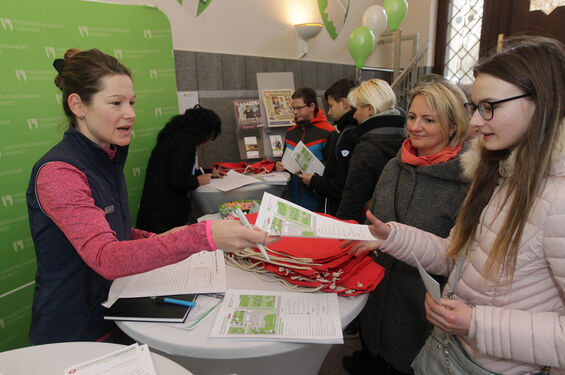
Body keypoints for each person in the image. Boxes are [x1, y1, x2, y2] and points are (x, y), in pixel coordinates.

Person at [26, 48, 278, 345]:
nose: (130, 114)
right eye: (116, 103)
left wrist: (161, 236)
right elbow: (105, 256)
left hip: (114, 310)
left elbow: (109, 229)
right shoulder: (60, 173)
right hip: (75, 331)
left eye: (131, 103)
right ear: (78, 105)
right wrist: (200, 236)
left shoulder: (107, 155)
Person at [349, 36, 565, 374]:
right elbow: (455, 255)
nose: (476, 123)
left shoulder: (558, 200)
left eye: (489, 107)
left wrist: (476, 323)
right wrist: (391, 237)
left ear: (541, 103)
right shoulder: (501, 176)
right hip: (455, 354)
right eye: (475, 108)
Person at [344, 80, 470, 375]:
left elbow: (456, 254)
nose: (415, 127)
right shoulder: (394, 165)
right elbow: (374, 218)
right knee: (375, 352)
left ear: (453, 126)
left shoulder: (466, 181)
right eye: (412, 117)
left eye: (429, 120)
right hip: (379, 285)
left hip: (422, 301)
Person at [136, 105, 225, 233]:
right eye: (210, 135)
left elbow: (179, 169)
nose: (208, 140)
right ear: (204, 129)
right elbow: (177, 180)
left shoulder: (174, 135)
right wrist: (198, 181)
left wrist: (209, 172)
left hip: (155, 208)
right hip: (165, 214)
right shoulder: (185, 142)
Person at [335, 79, 405, 224]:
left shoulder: (366, 148)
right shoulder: (408, 138)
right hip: (402, 229)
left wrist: (338, 231)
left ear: (370, 109)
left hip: (371, 226)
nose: (354, 115)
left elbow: (352, 199)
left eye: (357, 109)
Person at [297, 78, 359, 216]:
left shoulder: (349, 134)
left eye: (330, 106)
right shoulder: (348, 131)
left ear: (344, 103)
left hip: (338, 210)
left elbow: (342, 185)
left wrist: (314, 181)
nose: (329, 112)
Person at [275, 87, 336, 211]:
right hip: (293, 201)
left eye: (299, 108)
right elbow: (284, 161)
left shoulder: (329, 132)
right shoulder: (290, 133)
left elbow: (333, 169)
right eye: (293, 108)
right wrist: (280, 167)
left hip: (317, 202)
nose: (295, 112)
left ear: (312, 106)